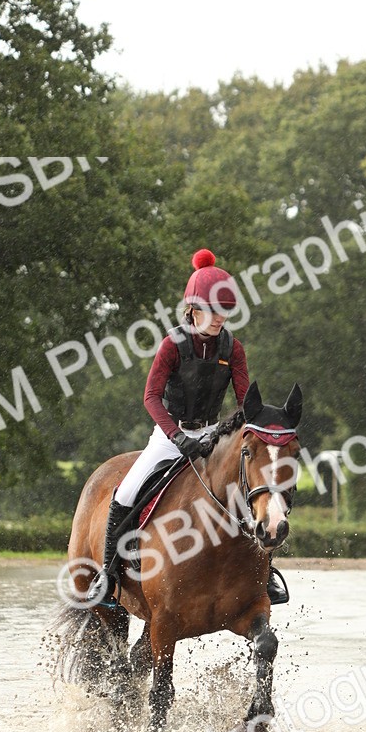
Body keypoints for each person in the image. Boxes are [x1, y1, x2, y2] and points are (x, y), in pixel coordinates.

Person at [88, 248, 290, 608]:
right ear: (193, 308)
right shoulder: (172, 345)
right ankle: (108, 575)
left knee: (253, 488)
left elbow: (245, 403)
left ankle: (265, 574)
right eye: (213, 310)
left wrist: (254, 429)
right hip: (170, 436)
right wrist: (177, 436)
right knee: (125, 492)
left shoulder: (233, 348)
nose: (220, 317)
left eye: (225, 310)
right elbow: (151, 397)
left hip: (213, 437)